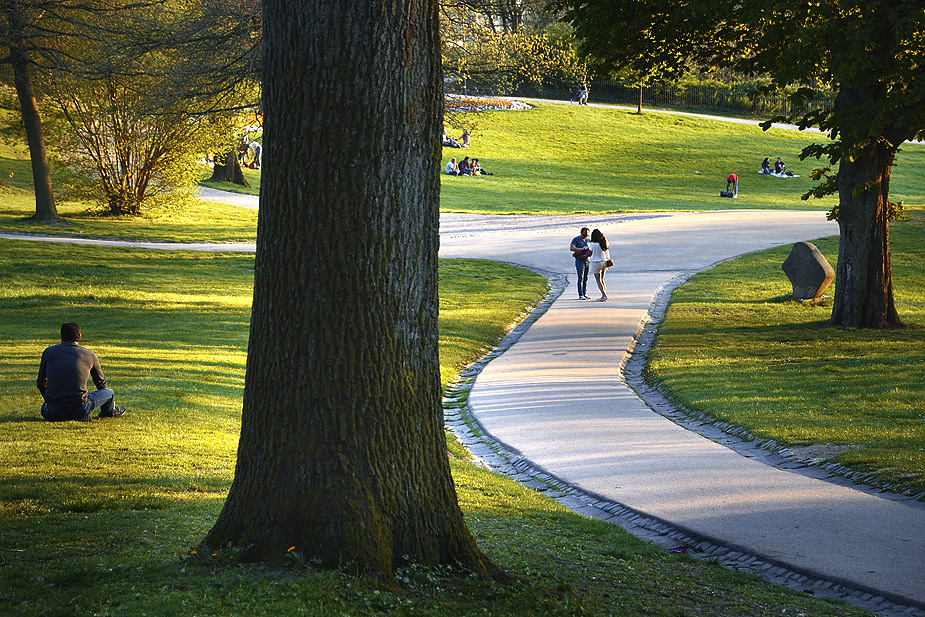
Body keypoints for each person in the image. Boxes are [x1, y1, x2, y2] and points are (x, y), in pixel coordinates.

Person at [37, 323, 125, 422]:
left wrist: (51, 400)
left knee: (45, 406)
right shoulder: (89, 355)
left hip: (52, 411)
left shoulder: (48, 352)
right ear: (79, 336)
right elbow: (101, 383)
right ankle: (108, 412)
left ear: (61, 337)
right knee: (109, 392)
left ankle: (68, 414)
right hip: (80, 407)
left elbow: (40, 382)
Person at [588, 228, 611, 301]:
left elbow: (590, 253)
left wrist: (584, 255)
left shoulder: (592, 244)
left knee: (598, 280)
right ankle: (604, 294)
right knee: (602, 280)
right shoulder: (603, 242)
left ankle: (604, 295)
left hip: (596, 263)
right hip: (604, 262)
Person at [569, 227, 592, 300]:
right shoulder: (576, 239)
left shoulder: (588, 240)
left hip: (587, 260)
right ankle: (580, 294)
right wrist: (581, 249)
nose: (585, 236)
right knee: (580, 277)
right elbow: (572, 248)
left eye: (587, 235)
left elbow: (591, 249)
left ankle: (585, 293)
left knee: (585, 278)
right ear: (581, 233)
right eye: (584, 235)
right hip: (579, 260)